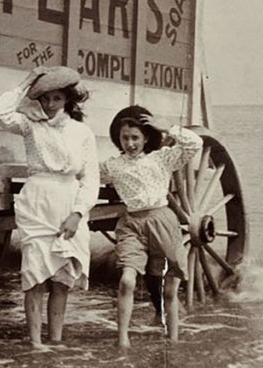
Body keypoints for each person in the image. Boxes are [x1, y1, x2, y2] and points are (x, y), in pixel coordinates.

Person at [0, 66, 100, 347]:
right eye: (45, 99)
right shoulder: (30, 126)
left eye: (57, 99)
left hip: (68, 203)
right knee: (34, 277)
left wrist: (77, 214)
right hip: (37, 203)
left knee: (62, 280)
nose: (50, 105)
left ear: (68, 100)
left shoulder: (82, 132)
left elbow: (90, 178)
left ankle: (56, 341)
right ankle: (36, 346)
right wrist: (27, 82)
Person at [99, 105, 203, 346]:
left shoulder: (161, 158)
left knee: (169, 289)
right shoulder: (113, 166)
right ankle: (122, 340)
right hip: (132, 224)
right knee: (127, 279)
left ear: (146, 138)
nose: (130, 143)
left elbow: (194, 144)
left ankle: (173, 339)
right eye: (125, 138)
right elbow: (86, 175)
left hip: (162, 222)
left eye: (135, 137)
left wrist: (167, 127)